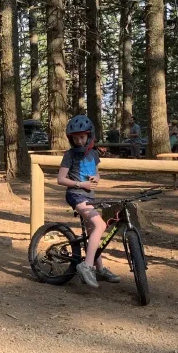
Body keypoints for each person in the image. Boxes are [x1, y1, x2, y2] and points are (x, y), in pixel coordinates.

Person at [56, 115, 120, 288]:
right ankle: (87, 266)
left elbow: (96, 173)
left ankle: (100, 269)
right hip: (76, 195)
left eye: (82, 137)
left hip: (90, 197)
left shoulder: (93, 153)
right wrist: (81, 184)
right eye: (75, 138)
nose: (79, 141)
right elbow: (60, 179)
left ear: (89, 136)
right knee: (100, 225)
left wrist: (96, 178)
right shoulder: (69, 155)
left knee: (93, 233)